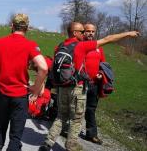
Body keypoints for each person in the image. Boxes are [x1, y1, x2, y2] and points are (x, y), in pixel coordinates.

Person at [40, 22, 139, 151]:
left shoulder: (61, 46)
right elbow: (108, 39)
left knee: (60, 116)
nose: (84, 33)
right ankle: (71, 147)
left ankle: (47, 144)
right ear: (75, 33)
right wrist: (128, 33)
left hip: (62, 88)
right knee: (76, 120)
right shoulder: (81, 46)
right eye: (82, 31)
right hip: (76, 88)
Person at [0, 13, 48, 151]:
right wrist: (36, 87)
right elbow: (44, 67)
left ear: (12, 26)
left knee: (0, 129)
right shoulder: (30, 45)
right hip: (20, 96)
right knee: (15, 136)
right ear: (27, 28)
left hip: (2, 94)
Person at [82, 23, 105, 144]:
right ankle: (66, 130)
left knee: (91, 109)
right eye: (88, 31)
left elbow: (103, 64)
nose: (90, 33)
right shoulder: (80, 45)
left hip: (94, 83)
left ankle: (91, 135)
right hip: (81, 83)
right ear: (83, 32)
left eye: (93, 31)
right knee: (75, 108)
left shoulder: (99, 47)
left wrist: (101, 73)